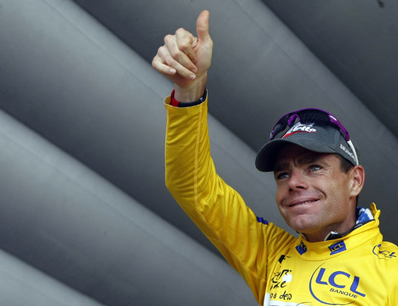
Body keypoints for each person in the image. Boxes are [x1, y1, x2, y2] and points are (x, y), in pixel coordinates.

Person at [152, 10, 398, 305]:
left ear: (354, 180)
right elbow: (193, 189)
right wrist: (189, 91)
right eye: (282, 174)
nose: (294, 182)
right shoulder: (270, 253)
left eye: (314, 167)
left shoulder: (391, 272)